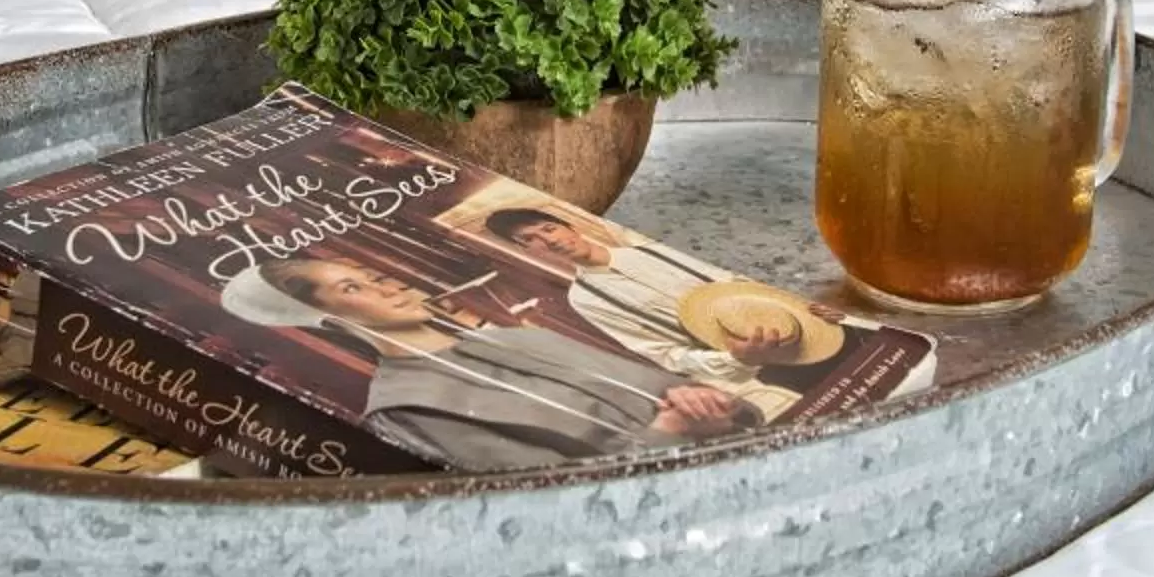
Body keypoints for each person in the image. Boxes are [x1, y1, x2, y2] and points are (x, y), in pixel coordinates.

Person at [219, 255, 758, 474]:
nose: (387, 285)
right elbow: (559, 501)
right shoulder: (404, 408)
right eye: (352, 288)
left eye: (367, 272)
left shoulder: (515, 338)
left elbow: (698, 391)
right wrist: (671, 430)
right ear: (327, 321)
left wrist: (714, 402)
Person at [483, 206, 806, 414]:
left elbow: (737, 281)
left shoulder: (648, 248)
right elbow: (667, 356)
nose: (548, 240)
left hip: (804, 332)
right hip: (766, 369)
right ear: (525, 249)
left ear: (567, 226)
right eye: (531, 239)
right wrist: (738, 359)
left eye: (549, 229)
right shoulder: (587, 299)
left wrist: (807, 312)